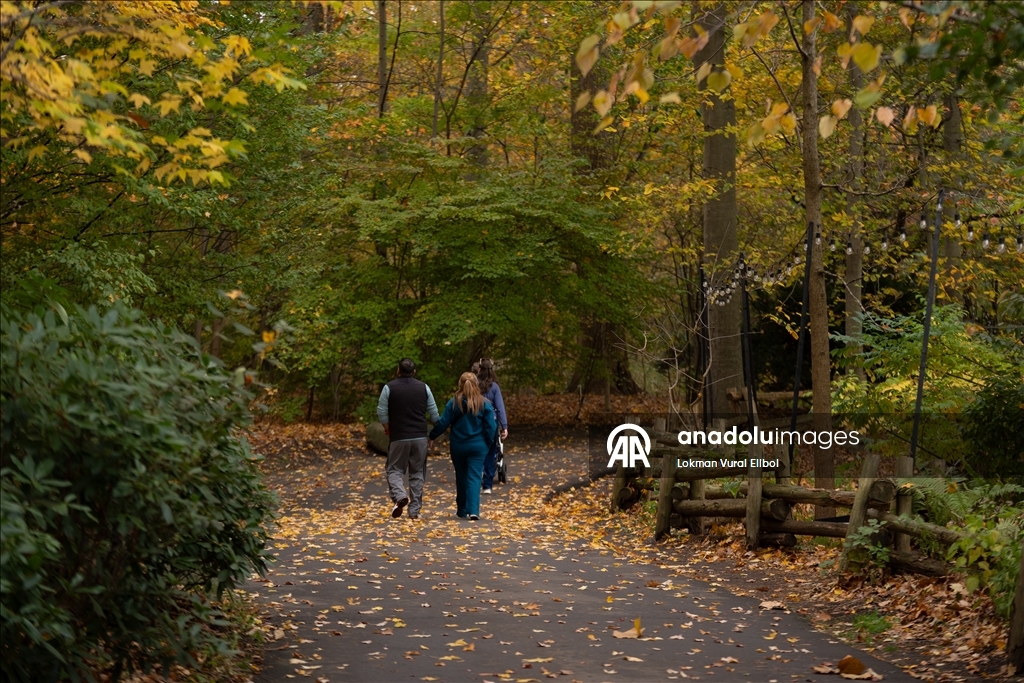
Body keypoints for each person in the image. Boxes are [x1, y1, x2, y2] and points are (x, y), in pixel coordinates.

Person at [377, 358, 440, 520]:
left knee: (394, 470)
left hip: (399, 437)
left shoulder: (388, 388)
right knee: (417, 472)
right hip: (420, 437)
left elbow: (382, 412)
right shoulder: (424, 388)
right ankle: (414, 511)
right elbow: (434, 415)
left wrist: (387, 428)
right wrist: (434, 432)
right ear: (414, 372)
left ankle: (400, 495)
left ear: (398, 371)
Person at [428, 372, 496, 520]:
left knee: (461, 476)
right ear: (476, 384)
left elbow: (443, 423)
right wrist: (489, 443)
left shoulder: (453, 403)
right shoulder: (484, 404)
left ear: (460, 384)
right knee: (474, 477)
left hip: (458, 445)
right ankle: (473, 511)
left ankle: (461, 509)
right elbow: (491, 427)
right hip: (478, 445)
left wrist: (432, 436)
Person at [475, 358, 508, 494]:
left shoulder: (474, 386)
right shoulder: (494, 387)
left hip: (476, 422)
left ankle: (478, 476)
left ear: (479, 369)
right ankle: (487, 484)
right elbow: (499, 407)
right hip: (491, 423)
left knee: (477, 451)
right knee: (490, 451)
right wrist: (504, 426)